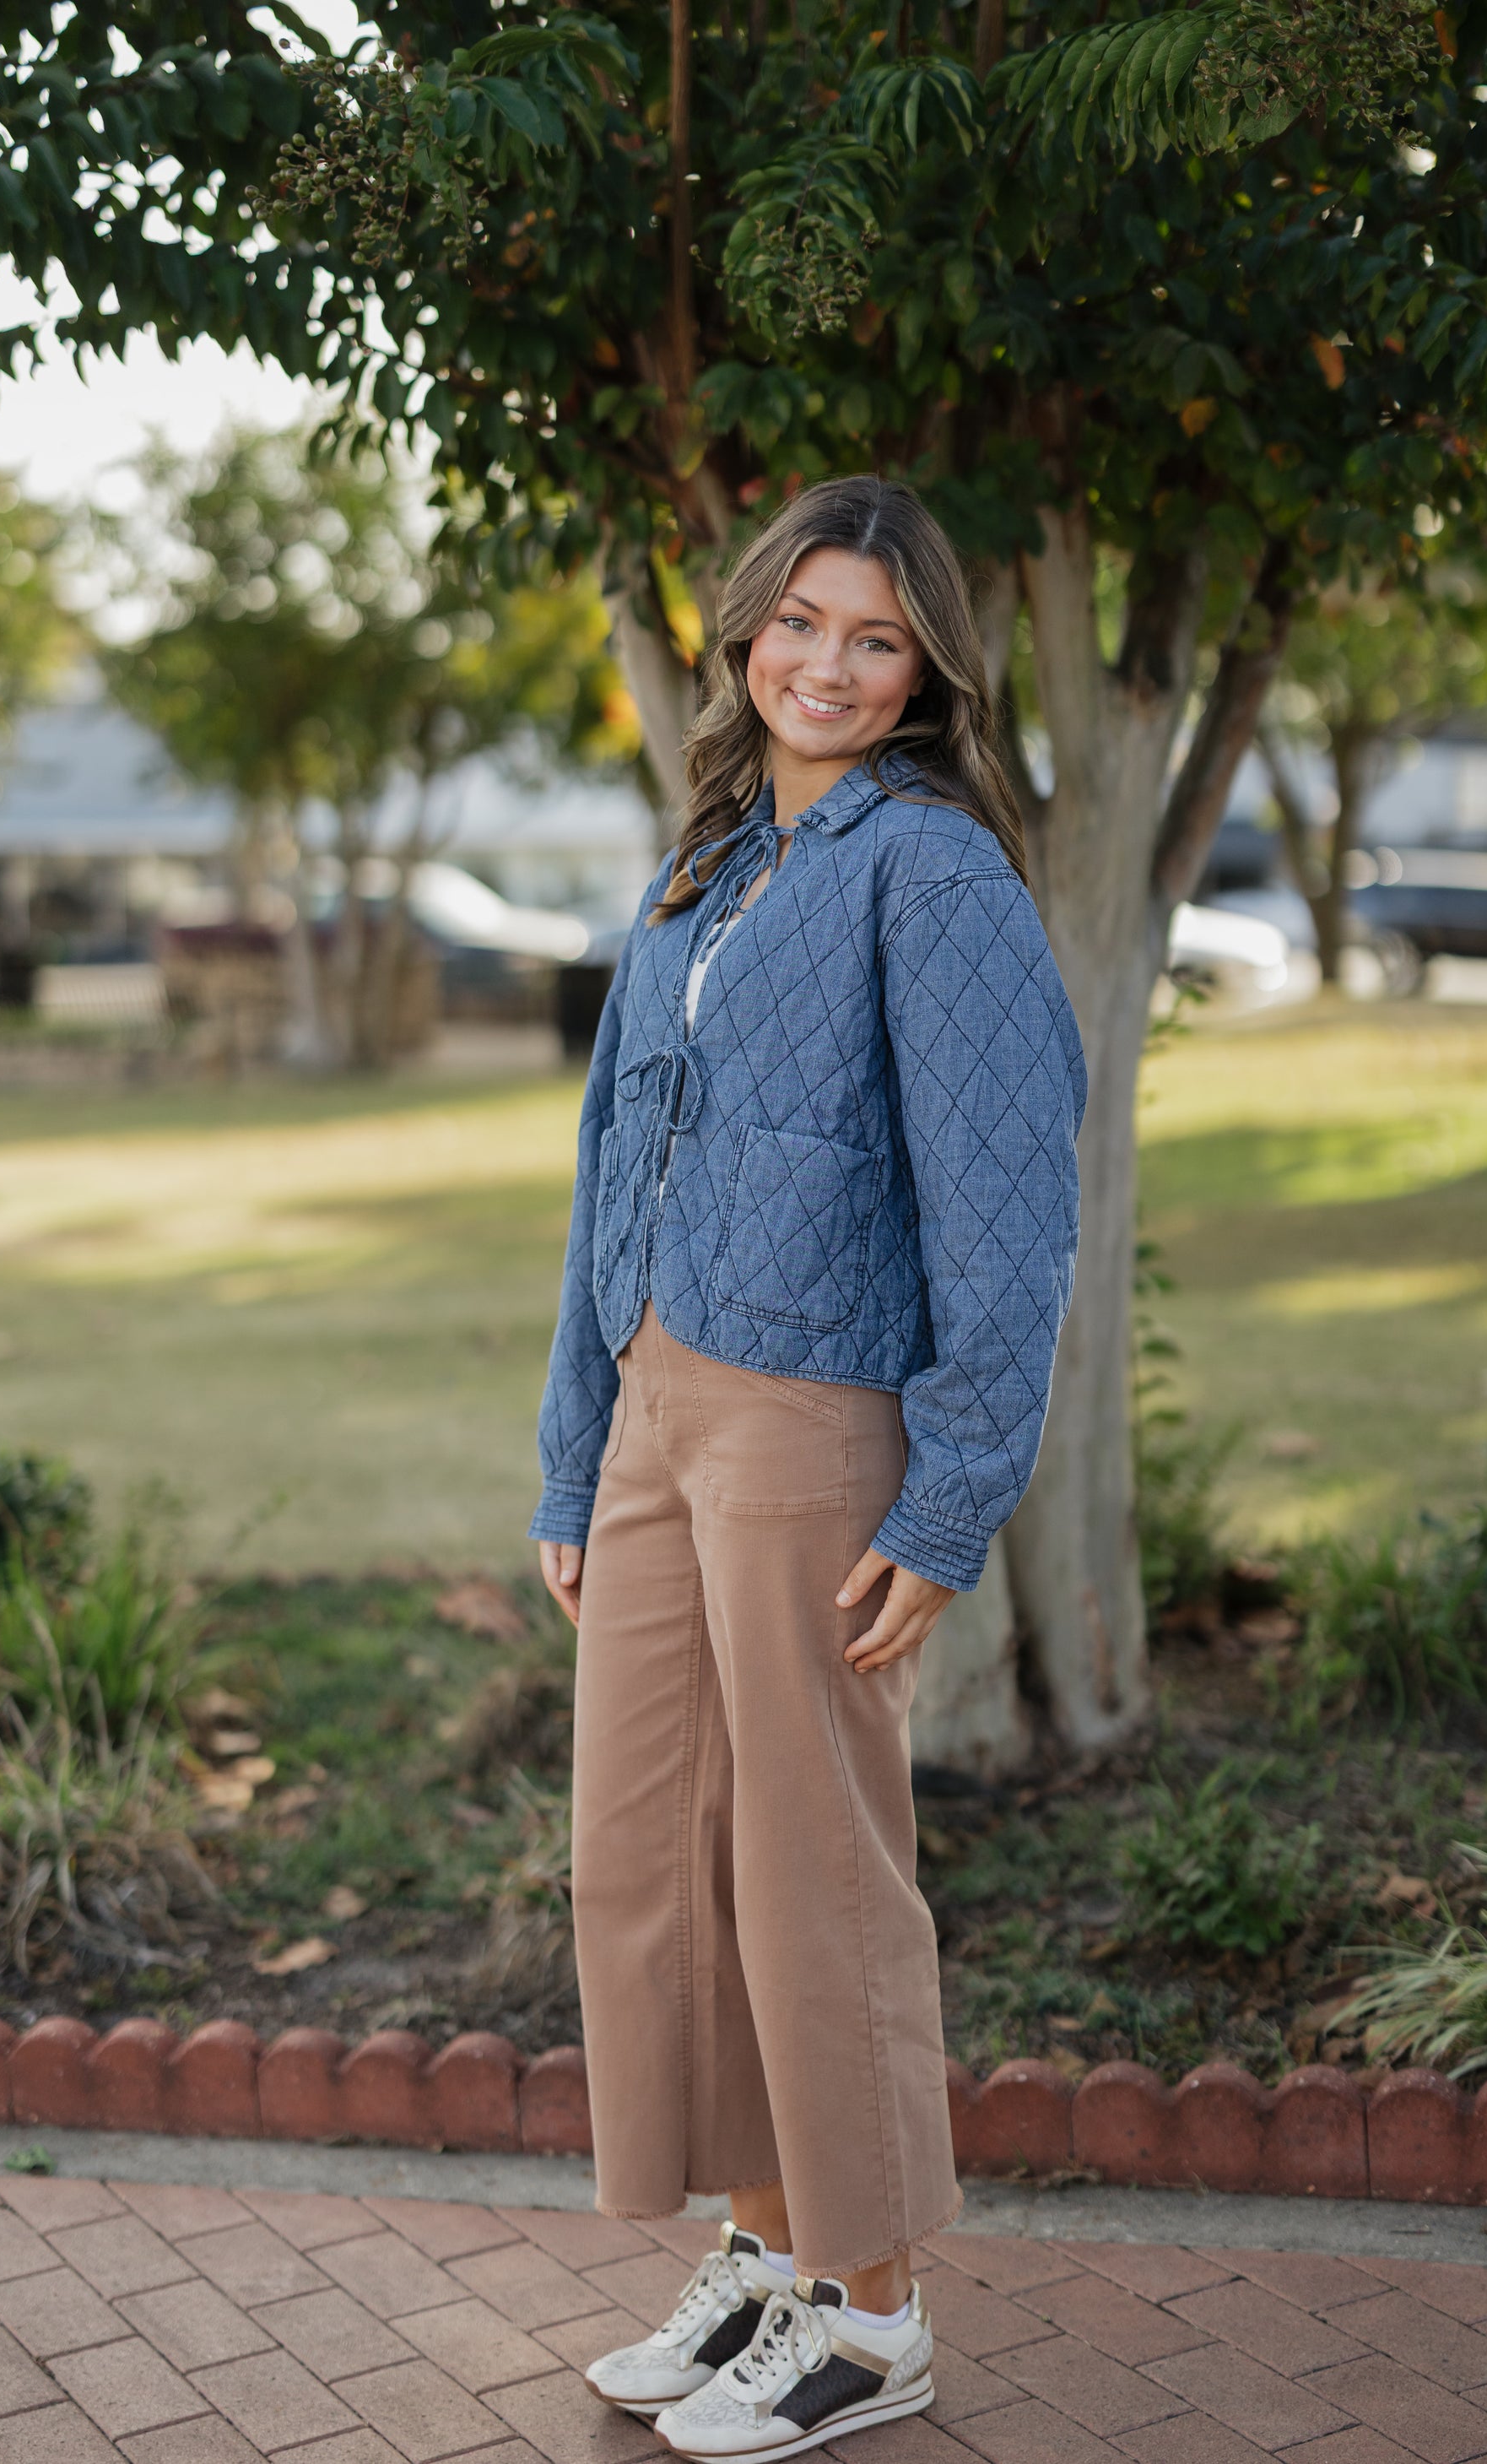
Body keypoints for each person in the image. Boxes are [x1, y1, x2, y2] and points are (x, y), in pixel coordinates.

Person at [532, 474, 1085, 2461]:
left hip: (812, 1422)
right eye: (800, 622)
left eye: (875, 637)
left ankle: (875, 2311)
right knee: (653, 1862)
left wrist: (948, 1501)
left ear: (926, 665)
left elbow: (1006, 1212)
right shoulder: (708, 864)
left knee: (810, 1872)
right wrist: (572, 1450)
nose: (827, 666)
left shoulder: (929, 874)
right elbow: (611, 1170)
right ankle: (768, 2251)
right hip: (658, 1407)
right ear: (744, 627)